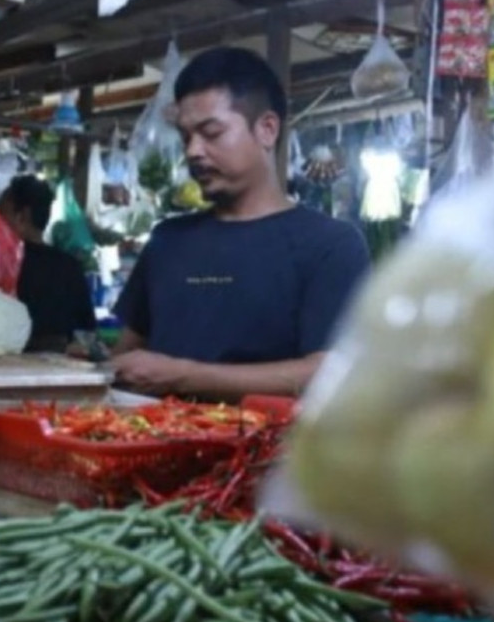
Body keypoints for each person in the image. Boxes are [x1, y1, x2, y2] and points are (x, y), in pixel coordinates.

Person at [111, 47, 371, 400]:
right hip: (151, 444)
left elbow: (330, 372)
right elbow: (127, 353)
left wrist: (185, 377)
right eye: (186, 137)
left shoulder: (330, 244)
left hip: (267, 452)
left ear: (266, 129)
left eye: (211, 133)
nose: (193, 151)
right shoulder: (168, 240)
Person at [0, 175, 96, 353]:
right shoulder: (69, 266)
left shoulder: (1, 266)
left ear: (22, 217)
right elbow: (87, 331)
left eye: (1, 215)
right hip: (58, 371)